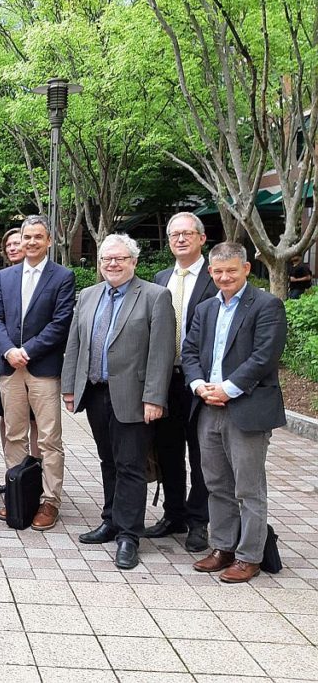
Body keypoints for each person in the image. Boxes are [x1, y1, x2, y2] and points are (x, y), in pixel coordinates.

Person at [62, 234, 175, 570]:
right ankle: (110, 519)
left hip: (134, 397)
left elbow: (161, 353)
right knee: (107, 460)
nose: (112, 264)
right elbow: (76, 344)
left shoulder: (155, 297)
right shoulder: (88, 295)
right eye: (106, 259)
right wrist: (70, 387)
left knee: (130, 465)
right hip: (96, 392)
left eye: (120, 259)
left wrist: (154, 397)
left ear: (133, 262)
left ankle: (129, 534)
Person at [183, 241, 287, 584]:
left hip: (247, 408)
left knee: (248, 487)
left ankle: (249, 556)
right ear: (210, 272)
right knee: (216, 484)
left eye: (231, 270)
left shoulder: (267, 305)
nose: (224, 277)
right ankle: (223, 547)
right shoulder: (205, 309)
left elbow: (264, 357)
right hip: (207, 406)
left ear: (246, 269)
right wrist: (199, 385)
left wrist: (227, 389)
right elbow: (190, 352)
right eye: (217, 271)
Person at [0, 215, 75, 531]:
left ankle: (50, 501)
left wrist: (29, 350)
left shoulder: (62, 276)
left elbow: (61, 321)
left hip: (43, 369)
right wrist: (9, 350)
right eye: (27, 237)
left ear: (49, 240)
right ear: (21, 240)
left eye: (39, 237)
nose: (32, 242)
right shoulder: (5, 276)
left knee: (49, 438)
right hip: (10, 367)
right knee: (14, 434)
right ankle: (18, 494)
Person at [146, 212, 216, 552]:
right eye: (175, 234)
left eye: (188, 233)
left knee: (202, 451)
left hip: (201, 381)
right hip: (166, 378)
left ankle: (198, 520)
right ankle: (173, 513)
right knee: (168, 449)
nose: (181, 239)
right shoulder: (160, 279)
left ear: (202, 239)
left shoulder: (214, 279)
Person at [0, 229, 39, 470]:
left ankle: (35, 470)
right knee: (6, 415)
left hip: (36, 360)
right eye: (9, 245)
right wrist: (5, 350)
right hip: (1, 358)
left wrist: (26, 350)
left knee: (35, 420)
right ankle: (13, 474)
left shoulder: (45, 276)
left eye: (18, 243)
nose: (13, 248)